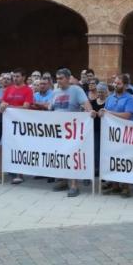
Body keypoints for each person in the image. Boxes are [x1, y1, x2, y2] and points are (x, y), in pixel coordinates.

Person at [50, 68, 95, 197]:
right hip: (58, 130)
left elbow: (86, 104)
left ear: (68, 78)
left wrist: (90, 112)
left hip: (72, 130)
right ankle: (64, 181)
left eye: (61, 78)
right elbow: (51, 108)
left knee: (72, 156)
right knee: (61, 155)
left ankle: (74, 185)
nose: (58, 81)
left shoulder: (76, 90)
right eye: (57, 79)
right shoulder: (55, 92)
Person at [100, 74, 133, 198]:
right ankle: (115, 185)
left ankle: (126, 187)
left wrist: (109, 113)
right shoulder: (110, 98)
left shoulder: (130, 98)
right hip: (112, 134)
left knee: (125, 159)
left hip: (125, 134)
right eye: (115, 83)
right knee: (113, 158)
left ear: (125, 85)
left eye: (119, 83)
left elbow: (127, 115)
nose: (115, 85)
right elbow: (105, 112)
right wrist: (101, 113)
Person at [0, 68, 34, 185]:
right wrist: (3, 106)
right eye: (14, 76)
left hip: (21, 124)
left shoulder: (28, 90)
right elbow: (2, 104)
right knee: (1, 147)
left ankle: (20, 174)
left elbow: (26, 107)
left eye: (18, 76)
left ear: (24, 77)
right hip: (8, 124)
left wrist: (9, 107)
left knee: (19, 148)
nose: (15, 78)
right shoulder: (9, 89)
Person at [91, 82, 108, 179]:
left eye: (102, 92)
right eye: (99, 91)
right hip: (95, 129)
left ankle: (103, 169)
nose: (100, 93)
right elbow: (87, 112)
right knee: (95, 149)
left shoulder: (108, 102)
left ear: (106, 92)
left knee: (104, 150)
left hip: (105, 130)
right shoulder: (93, 102)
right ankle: (96, 168)